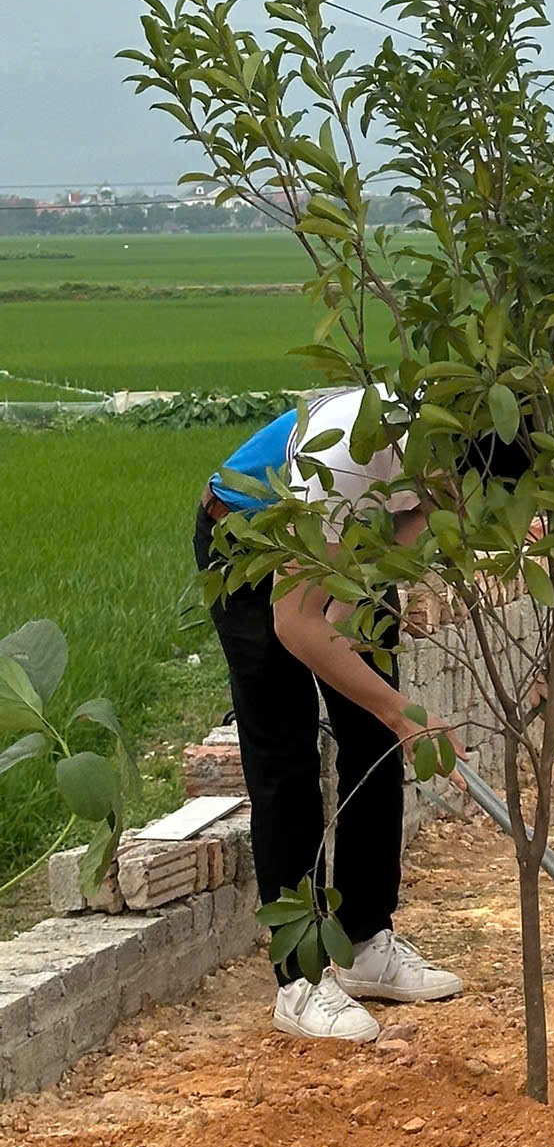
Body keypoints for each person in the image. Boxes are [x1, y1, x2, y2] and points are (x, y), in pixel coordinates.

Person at [198, 389, 481, 1046]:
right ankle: (298, 979)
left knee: (373, 735)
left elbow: (373, 569)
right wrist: (404, 712)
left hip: (348, 545)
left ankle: (365, 940)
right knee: (286, 752)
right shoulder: (354, 447)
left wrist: (386, 708)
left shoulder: (452, 451)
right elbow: (296, 622)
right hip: (252, 542)